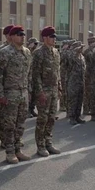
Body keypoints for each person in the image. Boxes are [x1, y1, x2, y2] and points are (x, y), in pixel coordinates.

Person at [0, 25, 33, 164]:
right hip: (10, 93)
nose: (22, 36)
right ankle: (10, 152)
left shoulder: (27, 52)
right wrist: (1, 94)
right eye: (18, 34)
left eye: (23, 34)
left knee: (20, 124)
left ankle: (18, 149)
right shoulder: (4, 52)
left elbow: (29, 74)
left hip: (23, 93)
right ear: (12, 36)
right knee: (9, 125)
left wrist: (28, 91)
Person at [31, 26, 62, 157]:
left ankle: (48, 142)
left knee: (51, 118)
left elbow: (57, 72)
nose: (54, 39)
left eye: (55, 36)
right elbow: (35, 74)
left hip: (54, 90)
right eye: (52, 36)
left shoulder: (56, 52)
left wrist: (59, 88)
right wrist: (40, 92)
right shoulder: (38, 53)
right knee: (42, 119)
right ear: (45, 38)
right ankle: (40, 146)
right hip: (44, 91)